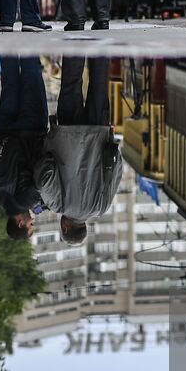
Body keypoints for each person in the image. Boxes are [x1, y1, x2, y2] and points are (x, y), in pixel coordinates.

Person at [34, 57, 122, 243]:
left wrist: (110, 138)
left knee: (99, 84)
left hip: (99, 132)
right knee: (71, 84)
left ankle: (101, 28)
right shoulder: (58, 205)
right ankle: (76, 30)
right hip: (67, 134)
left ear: (84, 227)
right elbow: (44, 180)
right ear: (66, 227)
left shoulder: (102, 207)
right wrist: (48, 154)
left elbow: (117, 170)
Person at [0, 55, 50, 239]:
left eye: (30, 224)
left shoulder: (27, 201)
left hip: (30, 129)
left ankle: (29, 28)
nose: (33, 220)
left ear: (20, 223)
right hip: (5, 128)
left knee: (31, 74)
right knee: (10, 78)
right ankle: (6, 30)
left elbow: (44, 179)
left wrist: (44, 204)